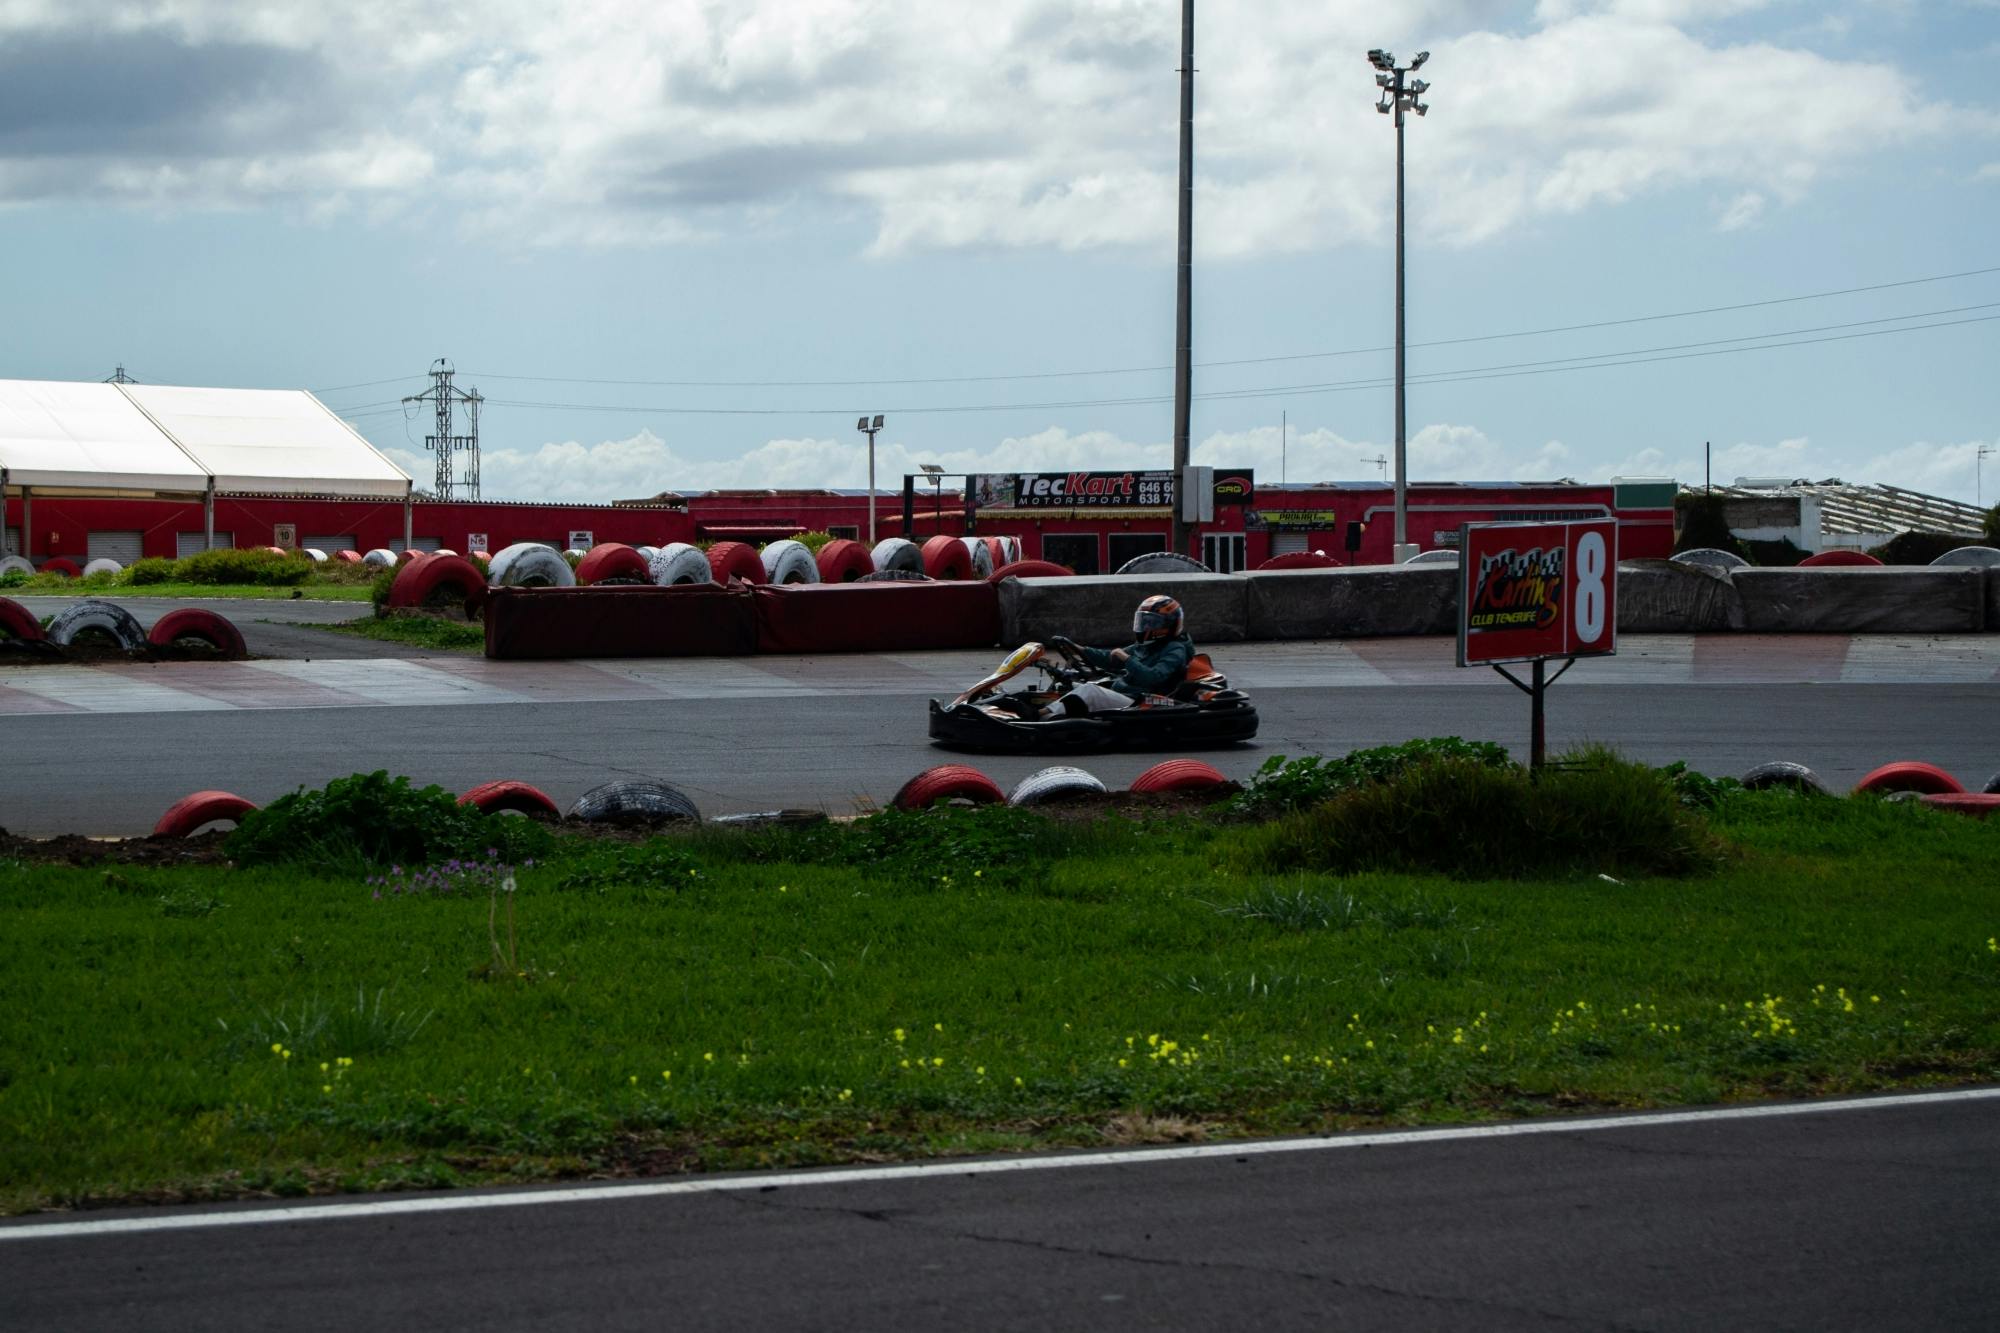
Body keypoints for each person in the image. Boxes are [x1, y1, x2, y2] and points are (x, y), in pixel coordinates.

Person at [1046, 594, 1194, 715]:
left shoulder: (1175, 649)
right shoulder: (1146, 646)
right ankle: (1044, 710)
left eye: (1151, 623)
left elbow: (1153, 678)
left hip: (1142, 700)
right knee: (1070, 684)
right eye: (1144, 621)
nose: (1145, 627)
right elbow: (1109, 659)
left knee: (1090, 691)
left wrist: (1127, 659)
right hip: (1125, 691)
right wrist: (1081, 650)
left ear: (1168, 625)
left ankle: (1042, 714)